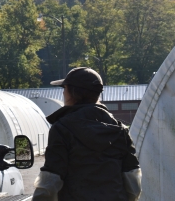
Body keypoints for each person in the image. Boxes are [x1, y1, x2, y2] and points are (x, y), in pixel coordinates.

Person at [32, 67, 142, 201]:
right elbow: (133, 180)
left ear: (72, 92)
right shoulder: (120, 130)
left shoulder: (62, 129)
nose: (63, 93)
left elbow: (50, 180)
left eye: (64, 88)